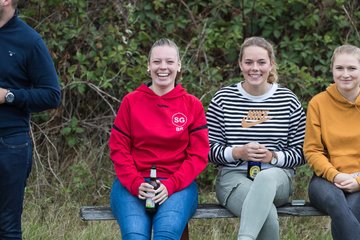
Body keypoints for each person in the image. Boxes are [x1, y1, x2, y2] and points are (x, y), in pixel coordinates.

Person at [206, 36, 306, 240]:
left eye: (261, 62)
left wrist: (273, 157)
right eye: (249, 62)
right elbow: (207, 149)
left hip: (277, 178)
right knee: (266, 215)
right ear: (240, 65)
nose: (255, 68)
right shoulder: (222, 99)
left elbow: (302, 152)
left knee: (265, 177)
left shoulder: (288, 100)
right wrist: (237, 152)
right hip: (233, 178)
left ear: (271, 64)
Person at [109, 38, 209, 240]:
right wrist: (136, 183)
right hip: (133, 184)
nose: (163, 67)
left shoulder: (192, 105)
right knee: (134, 235)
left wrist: (171, 185)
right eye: (157, 61)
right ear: (148, 66)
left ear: (179, 65)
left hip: (177, 186)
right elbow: (119, 150)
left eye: (170, 62)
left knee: (166, 234)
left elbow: (198, 155)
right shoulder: (131, 102)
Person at [0, 0, 61, 239]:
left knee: (7, 228)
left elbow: (51, 95)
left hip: (9, 145)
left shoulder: (29, 41)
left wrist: (9, 95)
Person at [304, 44, 360, 240]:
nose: (345, 74)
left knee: (353, 207)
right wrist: (335, 176)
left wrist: (358, 180)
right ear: (332, 70)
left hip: (359, 178)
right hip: (325, 179)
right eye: (339, 68)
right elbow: (312, 150)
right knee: (338, 204)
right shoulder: (318, 103)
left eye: (352, 68)